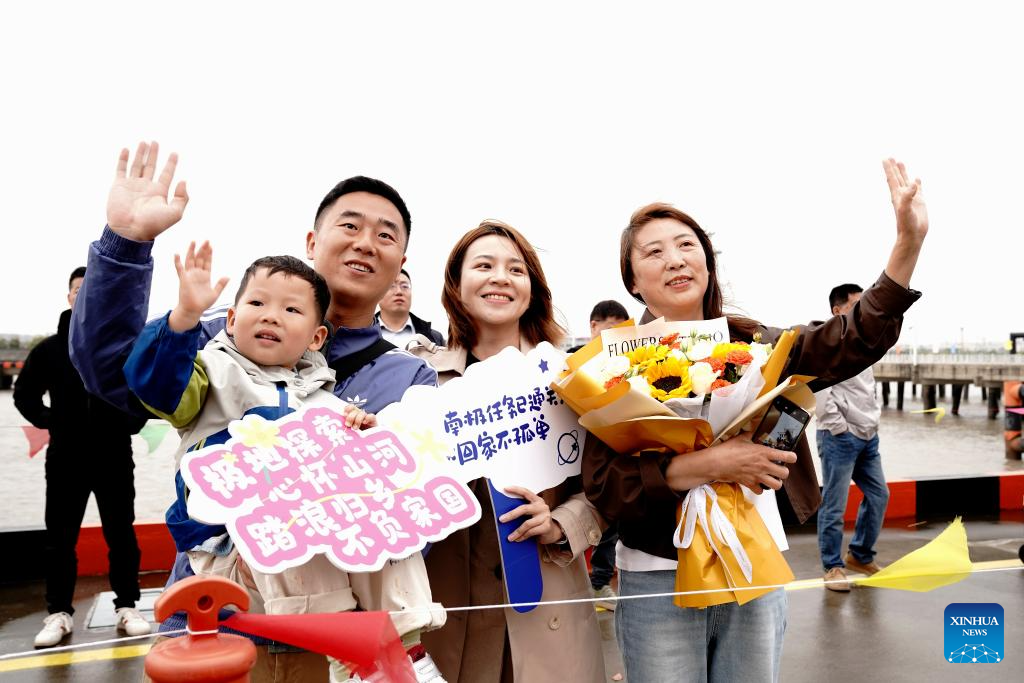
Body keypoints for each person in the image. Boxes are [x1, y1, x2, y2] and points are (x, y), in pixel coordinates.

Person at [69, 142, 444, 681]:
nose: (365, 242)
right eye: (350, 225)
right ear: (312, 241)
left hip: (342, 648)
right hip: (214, 624)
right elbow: (114, 372)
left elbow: (418, 515)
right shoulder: (221, 336)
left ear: (401, 263)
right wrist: (126, 243)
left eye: (386, 235)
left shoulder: (411, 377)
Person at [582, 158, 927, 682]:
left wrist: (907, 244)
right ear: (632, 280)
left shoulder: (755, 344)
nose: (675, 259)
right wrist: (709, 464)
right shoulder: (608, 367)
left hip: (754, 564)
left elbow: (850, 339)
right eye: (654, 252)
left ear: (707, 262)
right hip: (657, 577)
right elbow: (604, 485)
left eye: (687, 245)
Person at [408, 221, 606, 682]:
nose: (500, 277)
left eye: (516, 269)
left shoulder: (569, 379)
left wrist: (561, 524)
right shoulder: (420, 380)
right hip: (448, 619)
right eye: (484, 266)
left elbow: (603, 486)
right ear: (456, 284)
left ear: (532, 290)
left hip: (549, 616)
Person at [14, 267, 150, 648]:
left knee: (121, 534)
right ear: (70, 297)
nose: (85, 294)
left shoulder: (121, 345)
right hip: (66, 457)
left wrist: (130, 423)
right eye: (79, 289)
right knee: (60, 539)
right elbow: (24, 394)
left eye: (93, 289)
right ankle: (59, 612)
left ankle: (127, 606)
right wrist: (52, 421)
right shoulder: (49, 349)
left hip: (113, 454)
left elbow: (141, 391)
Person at [815, 283, 889, 592]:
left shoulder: (864, 341)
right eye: (857, 305)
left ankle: (860, 555)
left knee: (879, 495)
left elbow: (868, 389)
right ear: (838, 310)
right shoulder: (825, 344)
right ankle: (832, 566)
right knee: (835, 506)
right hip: (839, 438)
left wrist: (874, 420)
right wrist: (839, 428)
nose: (864, 310)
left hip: (868, 436)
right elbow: (820, 393)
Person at [571, 300, 629, 610]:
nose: (614, 337)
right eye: (609, 329)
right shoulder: (573, 363)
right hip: (575, 457)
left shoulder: (629, 364)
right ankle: (579, 587)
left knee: (610, 522)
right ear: (593, 327)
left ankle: (599, 583)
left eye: (622, 330)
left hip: (614, 455)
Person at [376, 269, 446, 348]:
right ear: (378, 293)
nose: (399, 292)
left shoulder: (435, 337)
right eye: (391, 286)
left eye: (405, 286)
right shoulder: (365, 334)